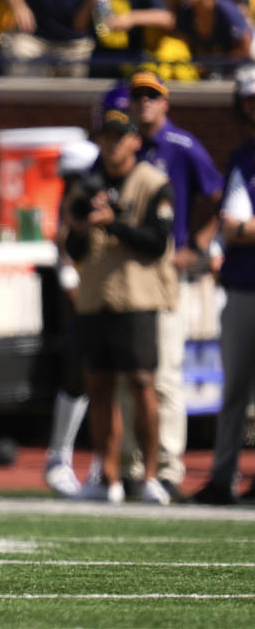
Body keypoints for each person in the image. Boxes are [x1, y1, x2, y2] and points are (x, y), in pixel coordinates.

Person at [66, 107, 176, 505]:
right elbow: (72, 247)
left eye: (120, 136)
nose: (112, 143)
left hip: (137, 295)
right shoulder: (87, 185)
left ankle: (150, 475)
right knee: (98, 385)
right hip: (95, 296)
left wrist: (112, 223)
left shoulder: (153, 182)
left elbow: (156, 242)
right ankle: (107, 475)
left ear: (134, 140)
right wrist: (81, 227)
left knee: (143, 383)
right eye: (106, 136)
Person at [125, 68, 223, 500]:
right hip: (125, 271)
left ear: (165, 103)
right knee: (131, 372)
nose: (145, 102)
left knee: (164, 372)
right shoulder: (123, 145)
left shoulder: (182, 146)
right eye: (139, 96)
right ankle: (130, 465)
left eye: (153, 96)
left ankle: (167, 466)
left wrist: (198, 245)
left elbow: (219, 195)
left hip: (164, 269)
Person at [43, 82, 126, 497]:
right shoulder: (83, 186)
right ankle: (61, 456)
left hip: (116, 289)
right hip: (88, 290)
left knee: (111, 380)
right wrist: (70, 280)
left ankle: (104, 463)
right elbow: (65, 237)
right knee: (82, 375)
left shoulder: (125, 175)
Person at [192, 64, 255, 505]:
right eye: (249, 100)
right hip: (242, 286)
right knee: (233, 390)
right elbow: (232, 228)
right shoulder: (242, 157)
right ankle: (222, 475)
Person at [0, 0, 97, 77]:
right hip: (30, 38)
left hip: (75, 42)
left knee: (74, 96)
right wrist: (18, 5)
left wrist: (88, 7)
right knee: (24, 94)